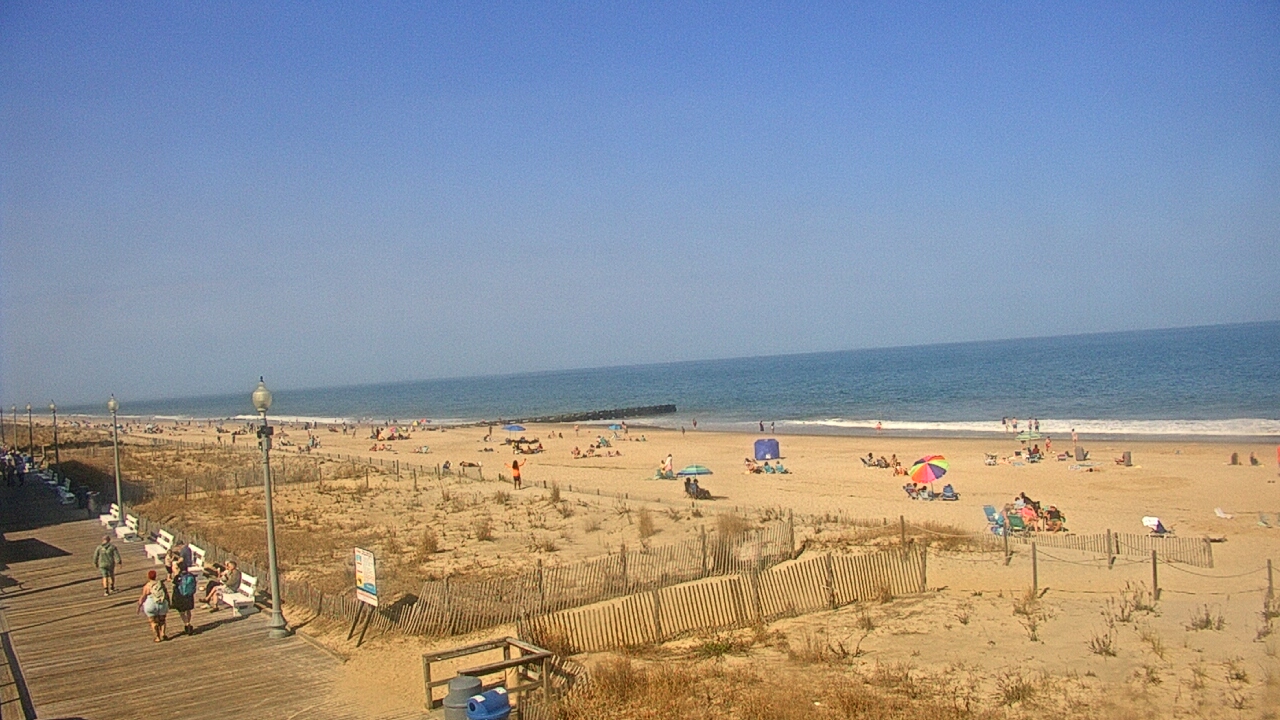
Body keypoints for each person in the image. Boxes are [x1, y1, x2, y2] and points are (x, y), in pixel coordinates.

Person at [137, 569, 170, 642]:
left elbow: (143, 596)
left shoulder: (147, 586)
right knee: (162, 620)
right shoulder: (160, 584)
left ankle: (157, 637)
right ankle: (163, 634)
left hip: (151, 604)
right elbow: (166, 594)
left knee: (153, 622)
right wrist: (169, 603)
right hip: (161, 603)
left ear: (148, 577)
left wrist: (139, 605)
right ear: (155, 576)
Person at [171, 564, 198, 635]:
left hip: (181, 596)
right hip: (189, 596)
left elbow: (175, 586)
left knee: (181, 612)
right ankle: (188, 622)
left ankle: (187, 624)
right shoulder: (191, 575)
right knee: (188, 610)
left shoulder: (178, 577)